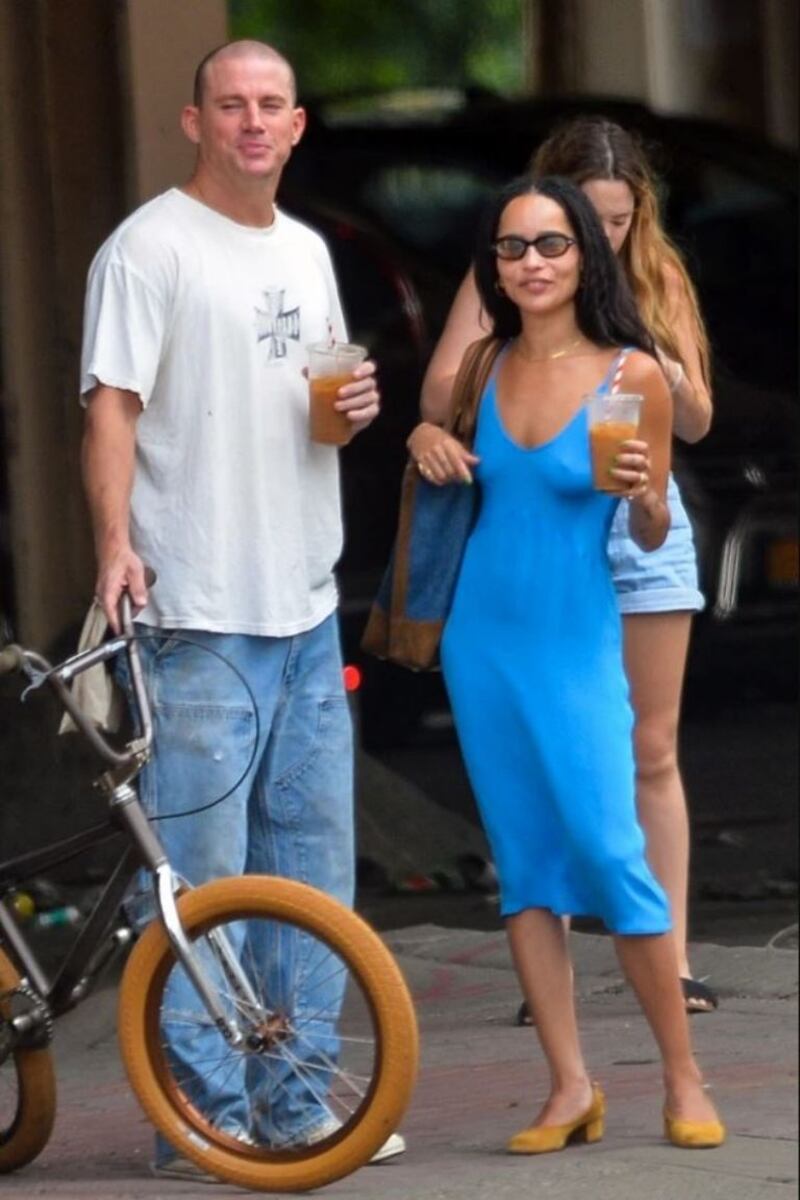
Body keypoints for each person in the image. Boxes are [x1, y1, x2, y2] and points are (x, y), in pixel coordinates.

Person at [79, 39, 404, 1180]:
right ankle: (202, 1120)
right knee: (200, 884)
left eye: (271, 105)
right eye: (231, 105)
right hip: (197, 608)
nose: (252, 122)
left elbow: (314, 406)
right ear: (195, 122)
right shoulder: (148, 248)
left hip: (303, 602)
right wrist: (114, 544)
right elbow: (111, 410)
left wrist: (351, 412)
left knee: (312, 878)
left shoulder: (308, 251)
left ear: (297, 125)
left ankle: (299, 1106)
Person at [407, 174, 725, 1152]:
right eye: (512, 247)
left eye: (551, 244)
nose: (532, 262)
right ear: (493, 267)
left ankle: (683, 1078)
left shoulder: (632, 373)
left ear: (585, 256)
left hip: (576, 638)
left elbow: (652, 524)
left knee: (609, 849)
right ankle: (567, 1086)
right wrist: (422, 435)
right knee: (525, 866)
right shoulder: (482, 366)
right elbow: (439, 443)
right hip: (480, 642)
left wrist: (646, 497)